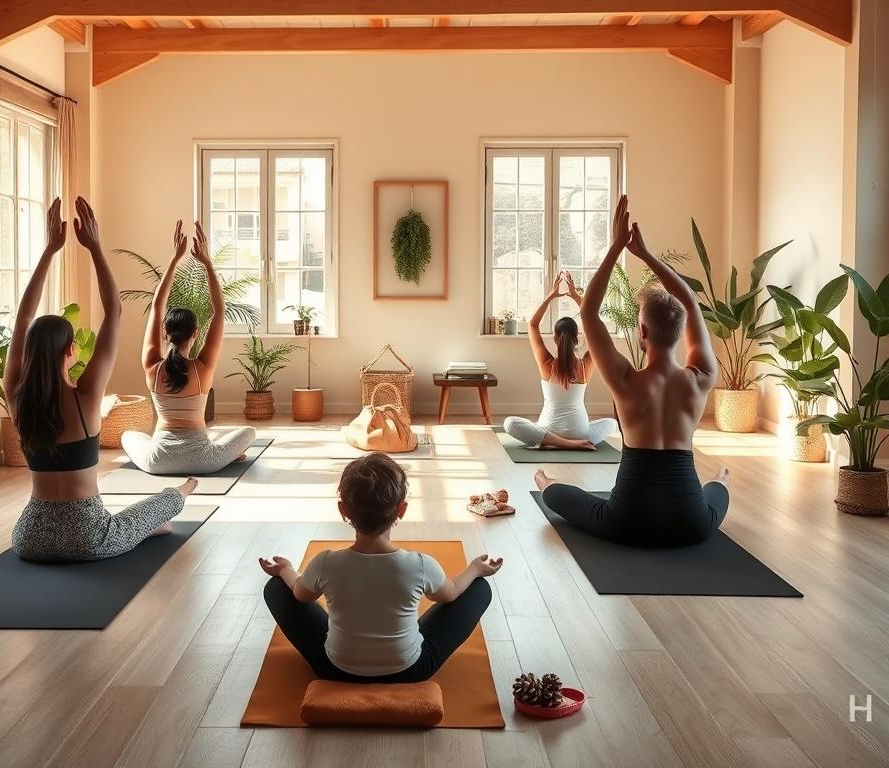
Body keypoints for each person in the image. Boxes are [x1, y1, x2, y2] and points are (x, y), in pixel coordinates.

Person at [6, 198, 197, 563]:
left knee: (140, 525)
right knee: (157, 510)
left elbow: (23, 318)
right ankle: (182, 492)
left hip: (29, 538)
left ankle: (148, 526)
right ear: (70, 351)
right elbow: (114, 311)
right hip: (88, 537)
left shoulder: (17, 397)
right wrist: (94, 247)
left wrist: (49, 251)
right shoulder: (87, 396)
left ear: (29, 350)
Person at [536, 195, 730, 547]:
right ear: (681, 330)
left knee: (558, 496)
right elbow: (689, 302)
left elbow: (589, 312)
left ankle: (545, 482)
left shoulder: (626, 380)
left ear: (642, 332)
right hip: (690, 524)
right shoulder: (701, 377)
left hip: (627, 521)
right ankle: (721, 477)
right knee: (716, 497)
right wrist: (646, 255)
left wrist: (617, 247)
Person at [259, 453, 503, 682]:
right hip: (410, 671)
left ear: (343, 510)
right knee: (479, 589)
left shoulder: (325, 563)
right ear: (401, 510)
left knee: (275, 588)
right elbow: (450, 593)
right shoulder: (420, 564)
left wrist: (284, 570)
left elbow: (300, 594)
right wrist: (475, 568)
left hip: (334, 670)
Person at [121, 221, 255, 476]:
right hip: (203, 461)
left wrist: (174, 260)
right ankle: (227, 456)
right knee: (249, 432)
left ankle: (221, 454)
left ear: (165, 333)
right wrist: (207, 263)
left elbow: (157, 305)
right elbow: (219, 310)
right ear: (196, 333)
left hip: (158, 462)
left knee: (128, 435)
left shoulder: (152, 367)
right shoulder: (202, 368)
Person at [503, 270, 618, 450]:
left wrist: (551, 296)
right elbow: (595, 325)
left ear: (555, 337)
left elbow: (532, 324)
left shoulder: (547, 365)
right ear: (577, 338)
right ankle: (573, 443)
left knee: (510, 423)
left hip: (548, 431)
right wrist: (576, 296)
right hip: (580, 432)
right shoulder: (585, 366)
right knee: (612, 423)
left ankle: (557, 442)